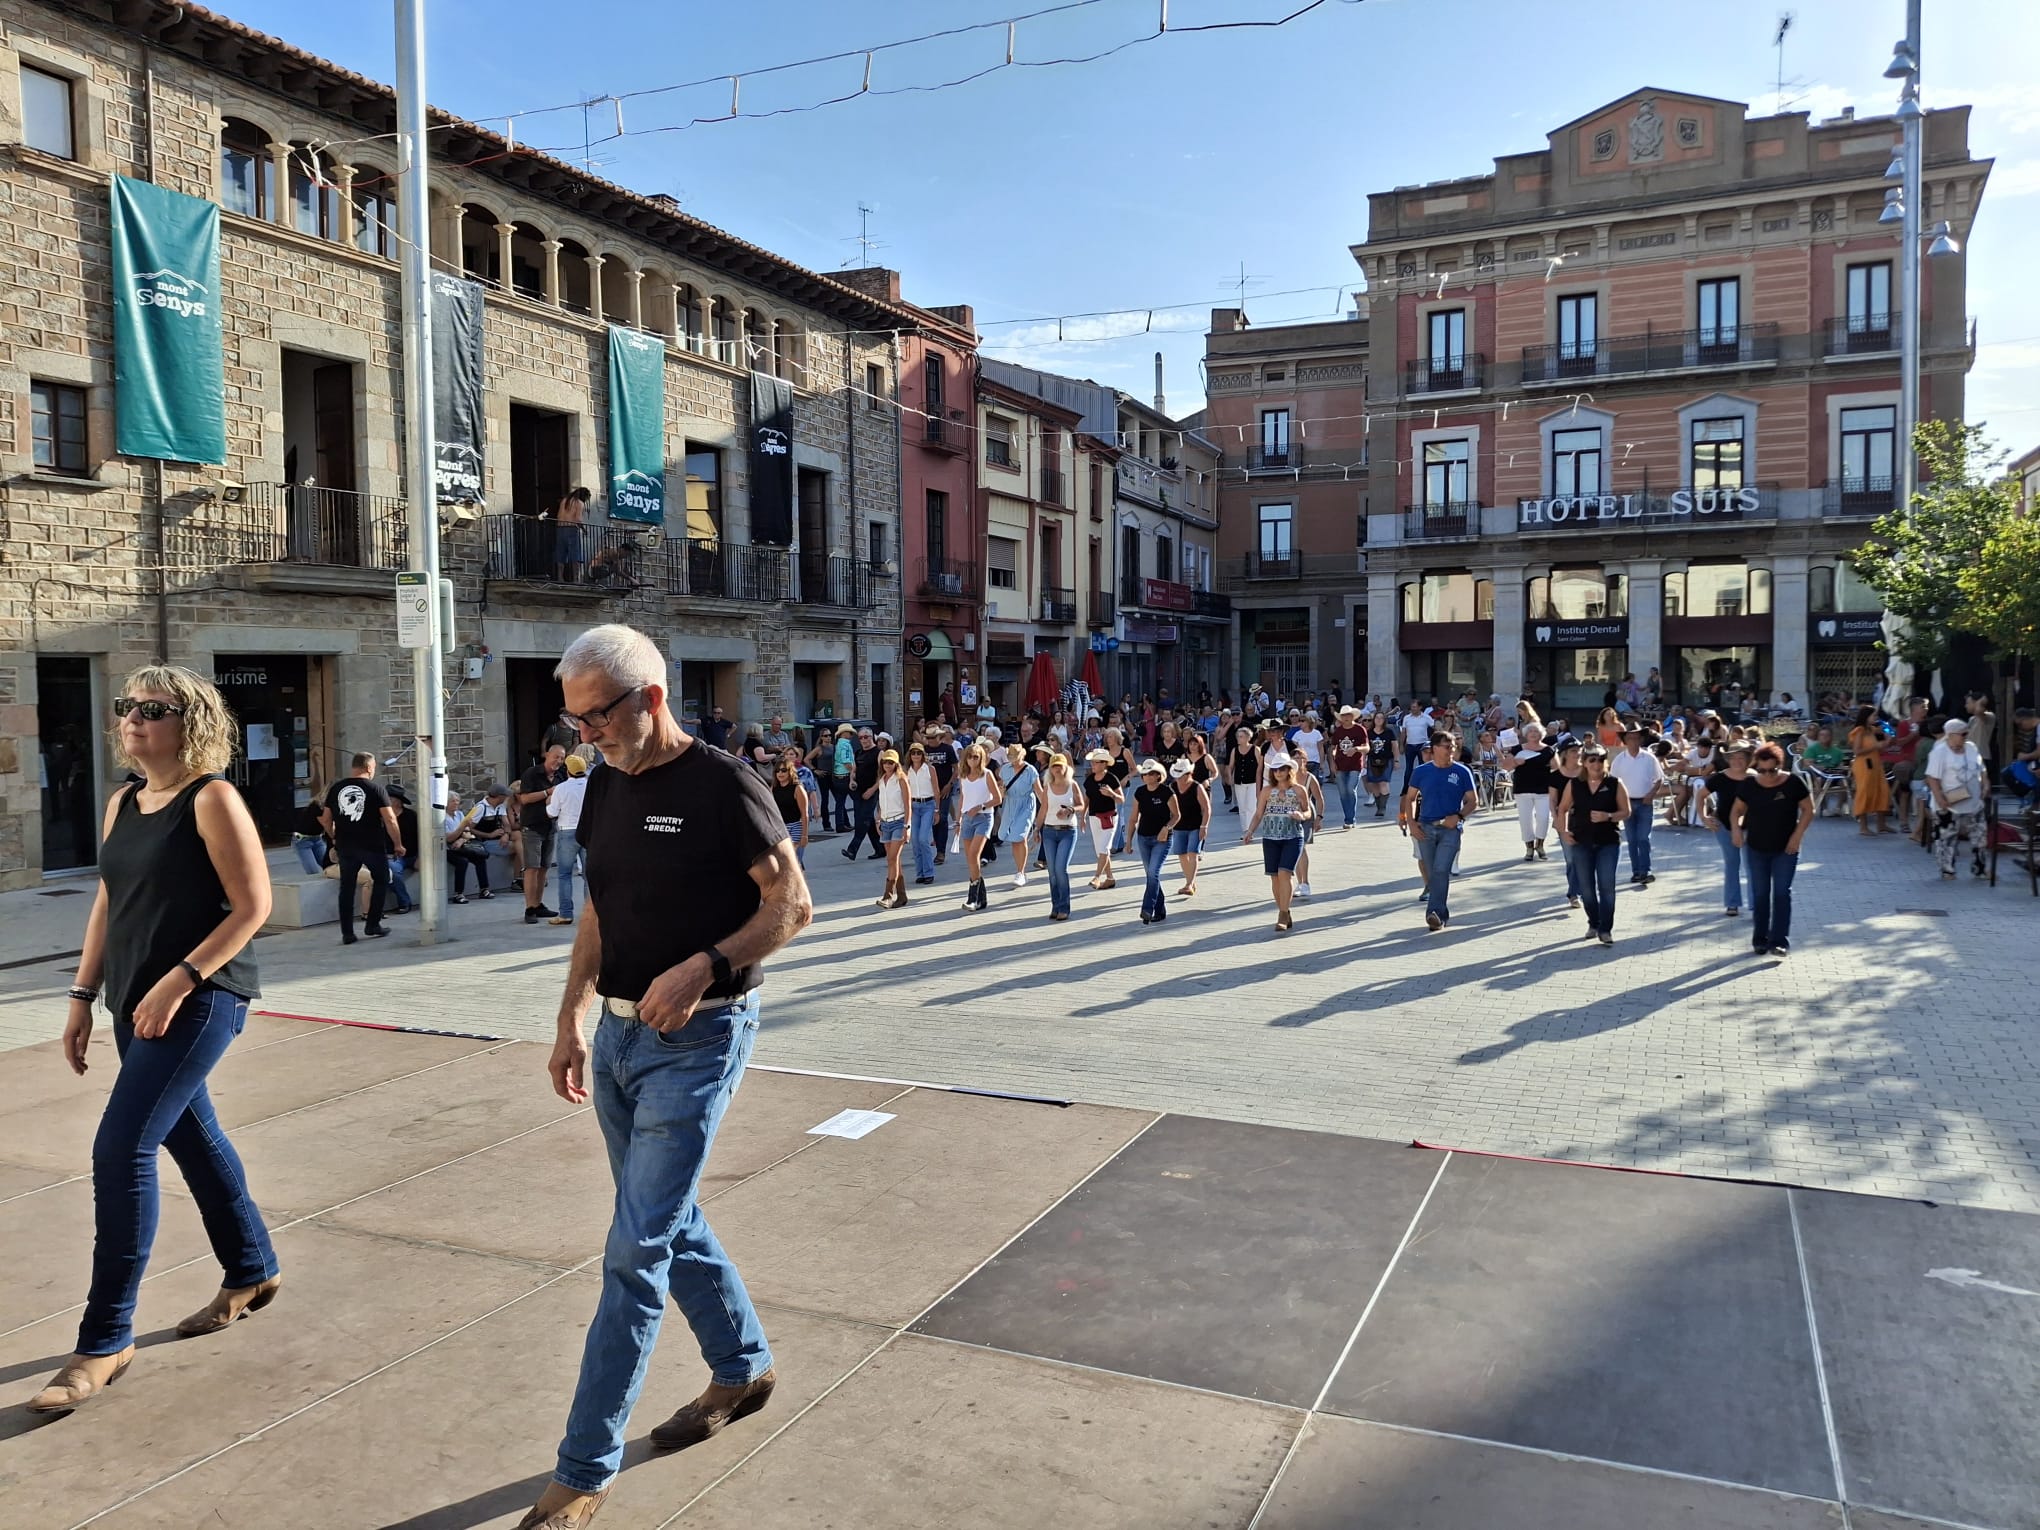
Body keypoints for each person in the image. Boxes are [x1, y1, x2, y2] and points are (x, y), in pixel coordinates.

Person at [525, 624, 811, 1530]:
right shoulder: (604, 787)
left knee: (634, 1251)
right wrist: (570, 1015)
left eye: (597, 717)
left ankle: (583, 1472)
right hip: (613, 1043)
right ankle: (742, 1366)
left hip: (701, 1040)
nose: (585, 737)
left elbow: (791, 906)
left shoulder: (726, 786)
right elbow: (601, 911)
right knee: (666, 1220)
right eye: (573, 721)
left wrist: (705, 967)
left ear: (651, 698)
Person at [32, 666, 280, 1415]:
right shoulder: (123, 802)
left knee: (121, 1148)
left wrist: (180, 980)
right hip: (131, 1002)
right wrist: (81, 997)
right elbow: (110, 901)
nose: (133, 719)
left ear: (190, 721)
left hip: (202, 999)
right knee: (191, 1137)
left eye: (153, 709)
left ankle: (104, 1341)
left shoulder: (213, 798)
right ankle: (253, 1268)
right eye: (126, 708)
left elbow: (253, 904)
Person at [1732, 744, 1814, 958]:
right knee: (1760, 895)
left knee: (1781, 893)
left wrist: (1797, 836)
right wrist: (1736, 830)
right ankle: (1760, 939)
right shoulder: (1750, 785)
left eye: (1772, 770)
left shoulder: (1793, 783)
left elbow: (1808, 810)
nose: (1767, 776)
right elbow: (1736, 811)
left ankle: (1779, 941)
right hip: (1756, 847)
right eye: (1761, 771)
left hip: (1786, 848)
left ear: (1780, 765)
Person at [320, 751, 402, 945]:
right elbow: (390, 819)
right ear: (369, 768)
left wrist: (334, 836)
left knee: (346, 887)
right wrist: (398, 843)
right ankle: (373, 923)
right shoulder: (376, 789)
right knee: (382, 879)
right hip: (371, 845)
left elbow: (325, 819)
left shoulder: (336, 788)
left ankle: (347, 933)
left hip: (346, 846)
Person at [1402, 734, 1478, 932]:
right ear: (1434, 748)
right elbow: (1410, 797)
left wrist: (1459, 816)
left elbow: (1473, 800)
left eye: (1453, 746)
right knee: (1432, 871)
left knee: (1440, 870)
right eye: (1446, 746)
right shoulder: (1421, 772)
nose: (1451, 750)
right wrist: (1411, 823)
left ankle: (1433, 913)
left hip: (1450, 829)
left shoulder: (1462, 771)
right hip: (1426, 827)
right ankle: (1440, 915)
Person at [1557, 743, 1630, 947]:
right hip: (1581, 842)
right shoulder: (1575, 784)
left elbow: (1626, 811)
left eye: (1600, 759)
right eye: (1592, 760)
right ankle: (1594, 923)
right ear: (1584, 763)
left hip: (1608, 842)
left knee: (1607, 886)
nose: (1597, 764)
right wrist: (1564, 832)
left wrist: (1608, 816)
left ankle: (1605, 929)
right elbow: (1561, 808)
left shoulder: (1615, 783)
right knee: (1587, 889)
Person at [1243, 750, 1312, 931]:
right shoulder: (1267, 791)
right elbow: (1258, 814)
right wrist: (1250, 831)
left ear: (1290, 770)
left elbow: (1308, 811)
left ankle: (1282, 914)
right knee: (1274, 878)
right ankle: (1284, 910)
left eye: (1282, 769)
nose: (1279, 773)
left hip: (1293, 836)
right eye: (1275, 770)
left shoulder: (1299, 790)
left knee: (1284, 873)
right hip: (1270, 837)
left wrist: (1301, 815)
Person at [1925, 717, 1989, 881]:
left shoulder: (1971, 748)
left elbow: (1981, 768)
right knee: (1947, 838)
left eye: (1966, 733)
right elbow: (1932, 778)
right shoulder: (1939, 751)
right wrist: (1940, 798)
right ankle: (1948, 870)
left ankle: (1980, 868)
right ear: (1951, 735)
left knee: (1980, 836)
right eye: (1963, 734)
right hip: (1949, 802)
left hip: (1973, 801)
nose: (1966, 736)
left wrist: (1986, 784)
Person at [1699, 742, 1754, 917]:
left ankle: (1756, 905)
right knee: (1732, 863)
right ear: (1728, 759)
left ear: (1748, 760)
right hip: (1723, 825)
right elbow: (1700, 795)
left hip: (1750, 827)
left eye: (1741, 757)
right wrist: (1704, 818)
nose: (1738, 761)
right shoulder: (1720, 778)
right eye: (1734, 757)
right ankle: (1732, 903)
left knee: (1753, 865)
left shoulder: (1754, 778)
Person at [1609, 725, 1665, 886]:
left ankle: (1646, 870)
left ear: (1641, 739)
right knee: (1632, 839)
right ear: (1625, 740)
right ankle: (1636, 872)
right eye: (1630, 738)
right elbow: (1613, 783)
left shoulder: (1649, 758)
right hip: (1627, 803)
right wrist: (1617, 803)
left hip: (1645, 802)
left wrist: (1651, 794)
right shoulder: (1620, 760)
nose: (1633, 741)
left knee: (1643, 838)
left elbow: (1659, 778)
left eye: (1636, 738)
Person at [953, 743, 1004, 912]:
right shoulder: (963, 776)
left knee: (975, 854)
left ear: (981, 758)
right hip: (967, 818)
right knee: (970, 859)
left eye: (976, 757)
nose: (972, 760)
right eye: (969, 756)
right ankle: (982, 898)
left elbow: (997, 799)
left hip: (983, 817)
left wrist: (981, 806)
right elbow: (962, 798)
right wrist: (958, 820)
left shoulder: (987, 774)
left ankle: (972, 897)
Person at [1129, 759, 1181, 925]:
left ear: (1159, 775)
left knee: (1153, 873)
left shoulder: (1167, 792)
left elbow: (1176, 815)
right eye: (1144, 774)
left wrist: (1167, 828)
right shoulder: (1140, 792)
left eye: (1151, 773)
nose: (1147, 776)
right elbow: (1133, 818)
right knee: (1151, 875)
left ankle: (1147, 908)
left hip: (1162, 839)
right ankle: (1160, 910)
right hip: (1143, 837)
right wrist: (1128, 841)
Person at [1036, 754, 1085, 921]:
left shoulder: (1072, 785)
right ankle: (1055, 906)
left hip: (1068, 831)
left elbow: (1082, 804)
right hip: (1049, 831)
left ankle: (1064, 907)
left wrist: (1070, 810)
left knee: (1060, 868)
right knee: (1052, 871)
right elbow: (1043, 808)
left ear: (1066, 768)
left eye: (1060, 766)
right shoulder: (1047, 786)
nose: (1057, 769)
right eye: (1054, 766)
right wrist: (1037, 829)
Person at [1504, 723, 1553, 860]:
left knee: (1544, 818)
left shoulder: (1548, 750)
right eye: (1530, 731)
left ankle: (1540, 844)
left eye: (1536, 731)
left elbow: (1557, 765)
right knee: (1525, 820)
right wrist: (1515, 762)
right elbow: (1506, 766)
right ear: (1526, 734)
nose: (1533, 733)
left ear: (1541, 734)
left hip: (1543, 789)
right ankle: (1529, 848)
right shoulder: (1517, 749)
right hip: (1522, 789)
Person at [872, 750, 911, 908]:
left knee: (891, 859)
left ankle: (888, 895)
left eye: (890, 762)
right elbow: (882, 801)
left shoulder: (901, 779)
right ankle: (901, 895)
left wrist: (906, 826)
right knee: (895, 860)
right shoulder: (882, 779)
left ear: (896, 763)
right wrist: (878, 819)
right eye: (885, 762)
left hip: (899, 821)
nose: (887, 765)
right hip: (886, 822)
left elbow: (908, 804)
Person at [1081, 748, 1123, 889]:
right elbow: (1087, 799)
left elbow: (1121, 800)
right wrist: (1083, 817)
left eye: (1096, 762)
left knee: (1105, 848)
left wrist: (1111, 794)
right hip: (1094, 817)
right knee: (1100, 850)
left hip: (1109, 817)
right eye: (1092, 762)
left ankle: (1097, 877)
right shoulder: (1089, 780)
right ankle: (1110, 877)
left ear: (1104, 764)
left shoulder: (1111, 778)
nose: (1092, 765)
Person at [1848, 704, 1894, 835]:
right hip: (1864, 764)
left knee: (1882, 791)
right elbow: (1857, 750)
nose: (1876, 717)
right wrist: (1876, 746)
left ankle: (1882, 824)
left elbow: (1887, 734)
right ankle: (1863, 827)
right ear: (1866, 716)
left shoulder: (1871, 730)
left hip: (1875, 763)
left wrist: (1886, 734)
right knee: (1865, 793)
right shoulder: (1860, 730)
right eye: (1874, 715)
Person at [1168, 757, 1210, 896]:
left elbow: (1206, 808)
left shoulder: (1196, 787)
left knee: (1193, 853)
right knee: (1181, 854)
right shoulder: (1172, 787)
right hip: (1179, 826)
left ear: (1188, 774)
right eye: (1177, 776)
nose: (1178, 779)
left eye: (1181, 776)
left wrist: (1204, 826)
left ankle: (1189, 884)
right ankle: (1190, 881)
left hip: (1195, 825)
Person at [1000, 743, 1040, 887]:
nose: (1013, 760)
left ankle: (1021, 872)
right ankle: (1020, 870)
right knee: (1014, 839)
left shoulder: (1030, 770)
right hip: (1011, 805)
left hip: (1026, 805)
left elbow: (1039, 792)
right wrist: (1001, 792)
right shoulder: (1005, 769)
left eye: (1015, 757)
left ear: (1022, 755)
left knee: (1020, 836)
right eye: (1010, 757)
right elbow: (1001, 786)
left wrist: (1045, 811)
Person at [442, 790, 492, 903]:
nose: (455, 803)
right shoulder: (442, 817)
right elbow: (448, 838)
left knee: (480, 858)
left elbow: (468, 832)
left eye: (457, 801)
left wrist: (461, 839)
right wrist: (462, 826)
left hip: (462, 845)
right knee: (462, 862)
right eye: (452, 801)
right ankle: (458, 893)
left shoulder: (459, 814)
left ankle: (484, 889)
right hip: (448, 848)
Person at [765, 753, 809, 870]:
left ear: (790, 771)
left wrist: (804, 835)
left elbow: (804, 814)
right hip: (780, 828)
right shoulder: (773, 788)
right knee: (783, 861)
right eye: (777, 771)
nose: (780, 773)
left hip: (796, 826)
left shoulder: (797, 788)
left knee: (791, 860)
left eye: (783, 770)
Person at [1329, 705, 1369, 828]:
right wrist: (1332, 763)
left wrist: (1356, 749)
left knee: (1351, 789)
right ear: (1341, 718)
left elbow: (1367, 748)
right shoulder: (1338, 731)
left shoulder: (1360, 729)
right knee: (1342, 792)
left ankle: (1350, 819)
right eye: (1344, 715)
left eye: (1348, 715)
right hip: (1340, 764)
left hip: (1355, 764)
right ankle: (1348, 817)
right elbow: (1333, 748)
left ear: (1353, 716)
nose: (1346, 717)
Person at [385, 785, 420, 914]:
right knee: (392, 872)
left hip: (412, 855)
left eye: (389, 798)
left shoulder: (411, 816)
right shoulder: (382, 816)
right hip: (393, 856)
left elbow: (420, 837)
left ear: (398, 801)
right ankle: (404, 902)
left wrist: (420, 857)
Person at [1229, 724, 1264, 829]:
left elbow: (1260, 766)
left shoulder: (1255, 749)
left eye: (1241, 736)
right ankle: (1245, 828)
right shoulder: (1235, 750)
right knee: (1242, 807)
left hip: (1253, 781)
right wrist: (1229, 777)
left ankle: (1250, 829)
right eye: (1238, 736)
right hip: (1239, 781)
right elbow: (1231, 765)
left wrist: (1260, 780)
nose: (1239, 739)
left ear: (1248, 737)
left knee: (1251, 807)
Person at [554, 486, 592, 583]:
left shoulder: (565, 501)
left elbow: (558, 515)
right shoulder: (579, 503)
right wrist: (584, 530)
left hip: (560, 528)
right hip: (571, 529)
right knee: (575, 555)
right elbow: (578, 519)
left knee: (561, 554)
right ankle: (576, 578)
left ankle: (560, 577)